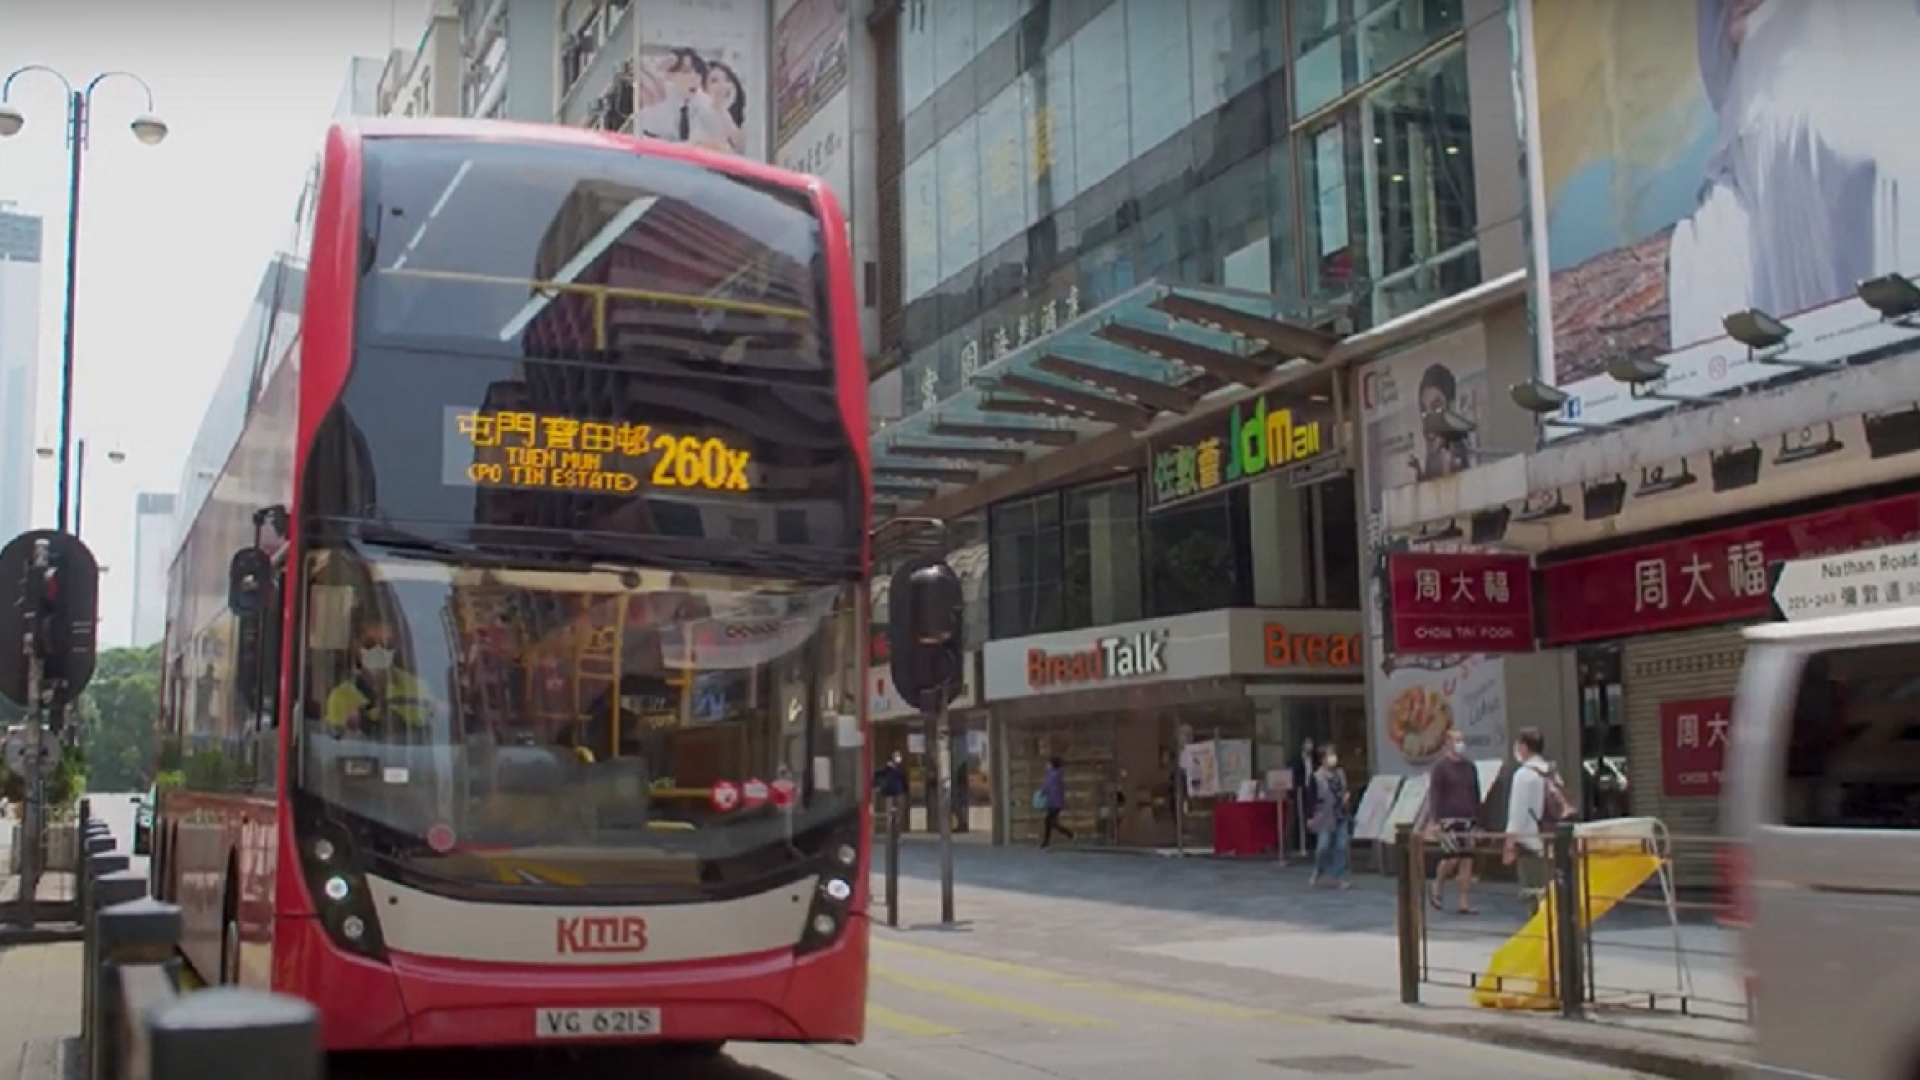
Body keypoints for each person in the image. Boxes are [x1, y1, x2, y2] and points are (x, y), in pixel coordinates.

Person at [324, 621, 433, 735]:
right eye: (370, 644)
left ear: (395, 648)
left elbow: (428, 732)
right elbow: (336, 743)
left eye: (387, 645)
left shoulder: (417, 688)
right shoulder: (340, 697)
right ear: (357, 647)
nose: (378, 651)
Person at [1422, 730, 1484, 914]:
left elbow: (1476, 794)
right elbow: (1435, 794)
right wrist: (1435, 820)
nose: (1460, 743)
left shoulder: (1470, 767)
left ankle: (1463, 900)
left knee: (1467, 859)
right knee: (1451, 857)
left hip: (1468, 818)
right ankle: (1438, 885)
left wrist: (1478, 819)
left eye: (1461, 740)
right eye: (1456, 740)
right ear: (1447, 743)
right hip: (1448, 818)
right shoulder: (1441, 768)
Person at [1503, 727, 1558, 903]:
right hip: (1552, 840)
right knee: (1551, 895)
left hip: (1530, 844)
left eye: (1518, 745)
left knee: (1533, 895)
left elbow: (1517, 814)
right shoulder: (1550, 771)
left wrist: (1509, 845)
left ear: (1524, 747)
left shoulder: (1523, 775)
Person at [1308, 747, 1352, 890]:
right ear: (1322, 759)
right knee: (1323, 846)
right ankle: (1318, 870)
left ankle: (1338, 876)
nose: (1333, 758)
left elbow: (1344, 790)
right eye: (1329, 755)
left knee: (1341, 846)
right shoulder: (1316, 776)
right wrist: (1310, 816)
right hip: (1324, 815)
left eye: (1334, 754)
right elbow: (1310, 798)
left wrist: (1346, 798)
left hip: (1340, 813)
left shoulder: (1340, 774)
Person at [689, 61, 746, 155]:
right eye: (714, 81)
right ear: (704, 87)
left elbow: (740, 147)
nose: (722, 85)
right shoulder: (700, 109)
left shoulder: (736, 116)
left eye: (727, 80)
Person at [1039, 755, 1074, 848]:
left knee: (1051, 822)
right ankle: (1046, 841)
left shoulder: (1054, 775)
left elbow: (1049, 787)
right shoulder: (1053, 774)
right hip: (1053, 802)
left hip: (1055, 802)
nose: (1046, 765)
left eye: (1048, 763)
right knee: (1048, 821)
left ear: (1052, 765)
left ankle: (1070, 834)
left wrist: (1043, 793)